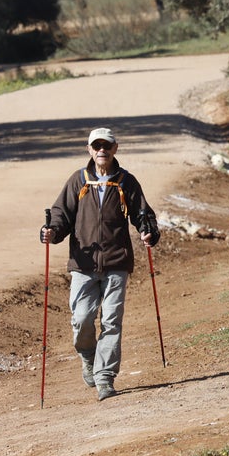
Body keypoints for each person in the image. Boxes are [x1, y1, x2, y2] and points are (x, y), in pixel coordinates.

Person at [40, 127, 160, 401]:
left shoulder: (126, 181)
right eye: (97, 146)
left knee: (111, 321)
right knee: (81, 319)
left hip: (117, 262)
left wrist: (148, 231)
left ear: (115, 149)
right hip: (83, 263)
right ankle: (88, 356)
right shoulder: (78, 181)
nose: (102, 150)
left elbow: (144, 214)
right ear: (89, 150)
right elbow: (60, 215)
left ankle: (105, 377)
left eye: (107, 146)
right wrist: (52, 232)